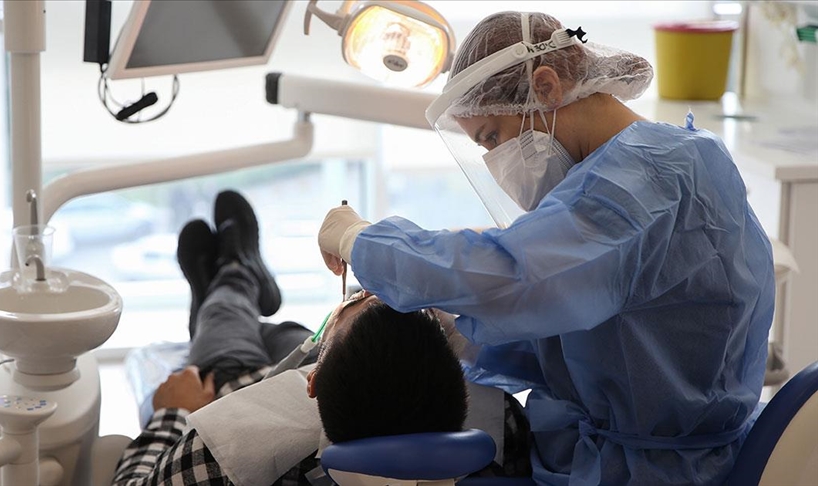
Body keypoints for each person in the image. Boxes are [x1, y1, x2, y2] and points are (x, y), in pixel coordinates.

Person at [317, 11, 776, 486]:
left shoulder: (639, 185)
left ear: (546, 87)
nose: (495, 160)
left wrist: (361, 241)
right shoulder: (673, 159)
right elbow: (603, 342)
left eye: (492, 136)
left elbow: (512, 273)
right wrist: (465, 337)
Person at [113, 190, 531, 485]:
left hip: (233, 379)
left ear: (311, 379)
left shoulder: (218, 456)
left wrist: (170, 413)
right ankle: (229, 283)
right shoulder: (505, 429)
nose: (359, 294)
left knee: (225, 327)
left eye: (353, 303)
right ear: (460, 380)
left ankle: (232, 274)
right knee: (286, 334)